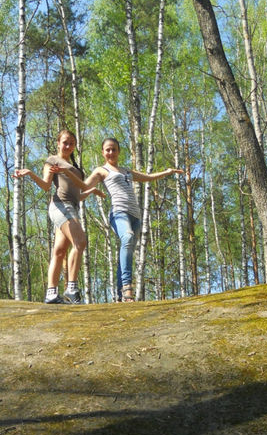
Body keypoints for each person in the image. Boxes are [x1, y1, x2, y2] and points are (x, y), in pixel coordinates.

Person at [82, 137, 184, 302]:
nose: (111, 152)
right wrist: (68, 176)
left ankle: (119, 295)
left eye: (114, 149)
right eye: (107, 149)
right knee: (127, 237)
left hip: (135, 216)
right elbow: (84, 186)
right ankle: (128, 287)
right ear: (102, 152)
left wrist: (168, 172)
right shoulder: (101, 171)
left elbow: (148, 177)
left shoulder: (127, 171)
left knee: (127, 249)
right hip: (118, 213)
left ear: (119, 151)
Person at [13, 130, 104, 304]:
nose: (68, 146)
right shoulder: (53, 161)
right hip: (60, 206)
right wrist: (31, 174)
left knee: (60, 251)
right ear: (58, 143)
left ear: (75, 146)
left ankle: (51, 294)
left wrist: (91, 191)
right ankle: (71, 289)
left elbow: (77, 195)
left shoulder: (76, 169)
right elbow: (46, 186)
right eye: (65, 142)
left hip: (72, 208)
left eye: (71, 143)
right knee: (81, 242)